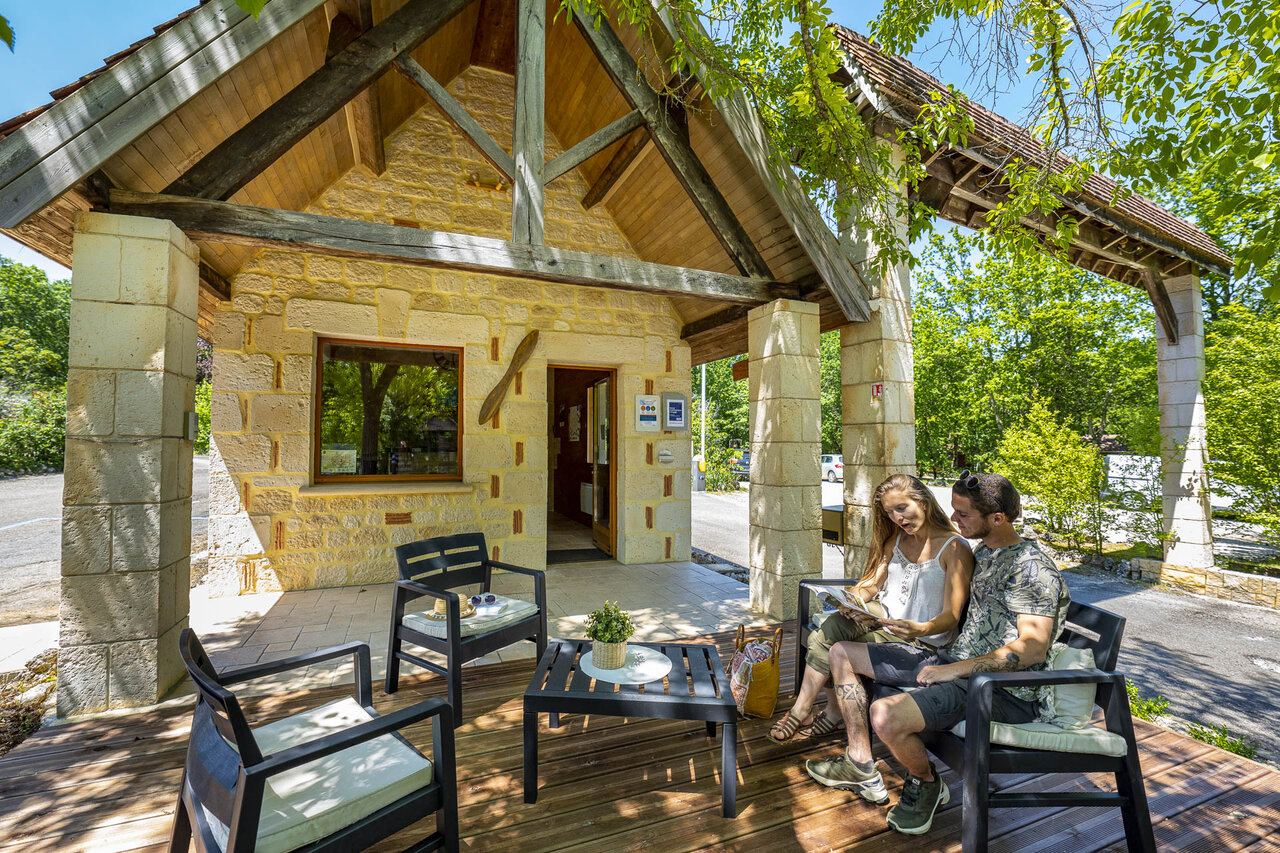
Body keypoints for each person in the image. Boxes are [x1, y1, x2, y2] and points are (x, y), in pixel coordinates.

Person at [806, 471, 1070, 837]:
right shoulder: (988, 551)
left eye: (962, 514)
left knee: (885, 714)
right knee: (841, 653)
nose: (954, 519)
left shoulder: (1031, 568)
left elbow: (1032, 649)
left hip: (999, 689)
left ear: (998, 518)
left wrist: (956, 669)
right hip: (952, 664)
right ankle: (860, 762)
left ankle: (926, 782)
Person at [768, 473, 973, 745]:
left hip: (923, 643)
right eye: (890, 512)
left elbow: (951, 617)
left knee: (823, 638)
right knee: (833, 625)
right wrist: (851, 599)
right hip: (885, 626)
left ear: (923, 502)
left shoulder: (954, 547)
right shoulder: (895, 542)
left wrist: (919, 628)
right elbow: (872, 586)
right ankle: (807, 709)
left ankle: (813, 710)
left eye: (902, 508)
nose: (898, 518)